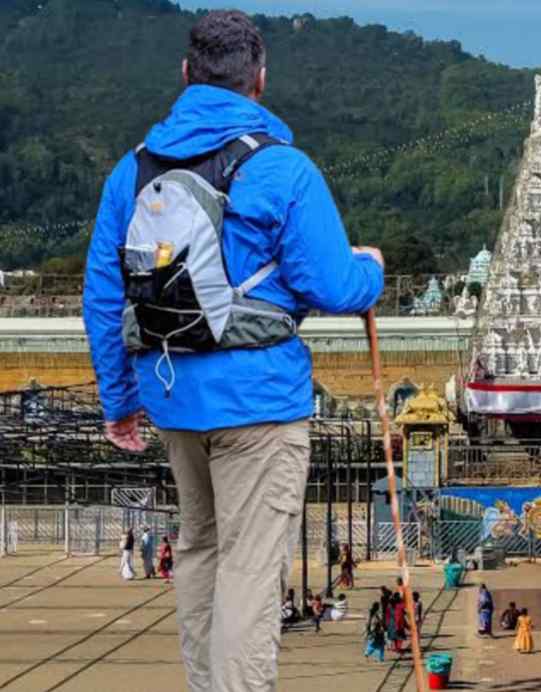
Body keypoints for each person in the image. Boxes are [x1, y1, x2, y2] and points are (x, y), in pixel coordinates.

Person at [82, 10, 384, 692]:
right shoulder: (283, 168)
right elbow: (333, 285)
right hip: (260, 404)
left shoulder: (131, 173)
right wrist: (375, 271)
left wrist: (119, 403)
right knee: (250, 566)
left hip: (173, 397)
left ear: (187, 74)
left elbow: (104, 296)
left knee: (199, 549)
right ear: (260, 81)